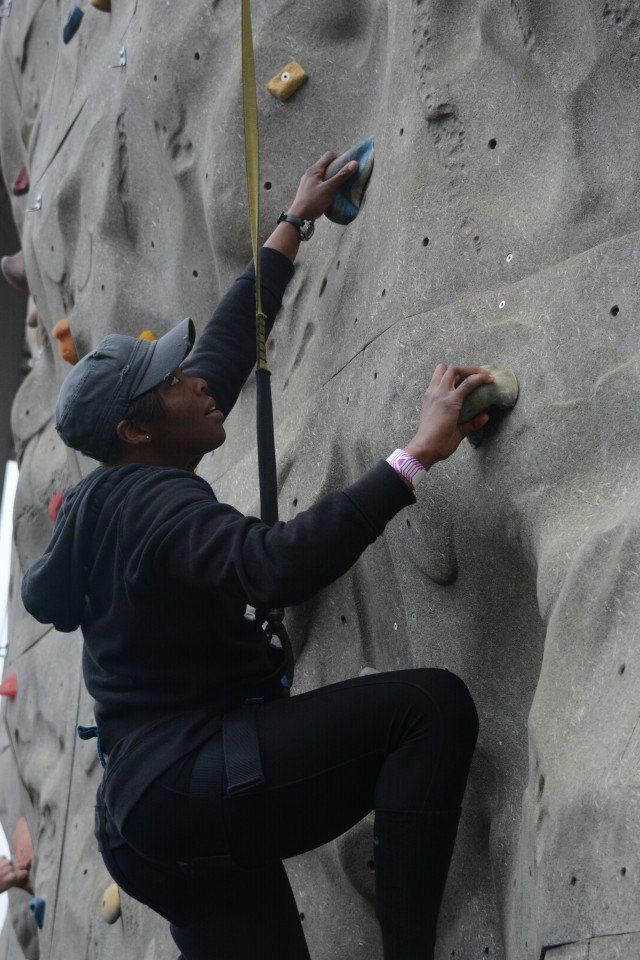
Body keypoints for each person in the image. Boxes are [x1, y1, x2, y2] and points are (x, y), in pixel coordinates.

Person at [21, 151, 492, 960]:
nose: (197, 382)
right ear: (135, 428)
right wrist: (413, 456)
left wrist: (296, 222)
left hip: (148, 828)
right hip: (189, 782)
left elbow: (225, 355)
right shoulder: (152, 506)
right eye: (175, 380)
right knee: (430, 711)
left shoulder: (132, 473)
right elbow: (277, 565)